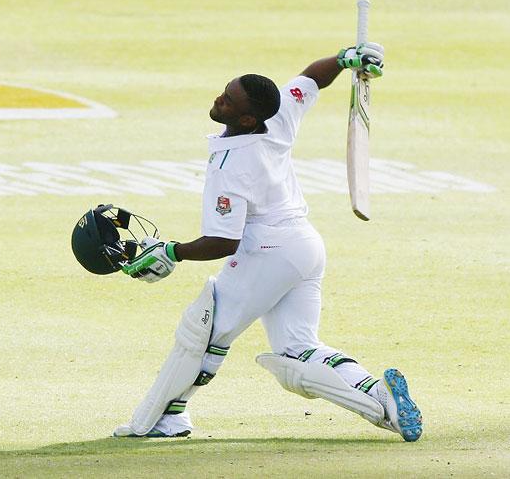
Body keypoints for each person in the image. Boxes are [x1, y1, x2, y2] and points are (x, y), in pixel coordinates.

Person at [114, 43, 423, 442]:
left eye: (227, 101)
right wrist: (348, 58)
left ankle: (163, 419)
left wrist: (173, 251)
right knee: (298, 351)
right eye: (224, 91)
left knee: (203, 332)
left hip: (269, 253)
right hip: (305, 248)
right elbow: (312, 77)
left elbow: (224, 241)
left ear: (245, 118)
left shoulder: (232, 164)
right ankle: (382, 402)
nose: (218, 100)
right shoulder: (277, 120)